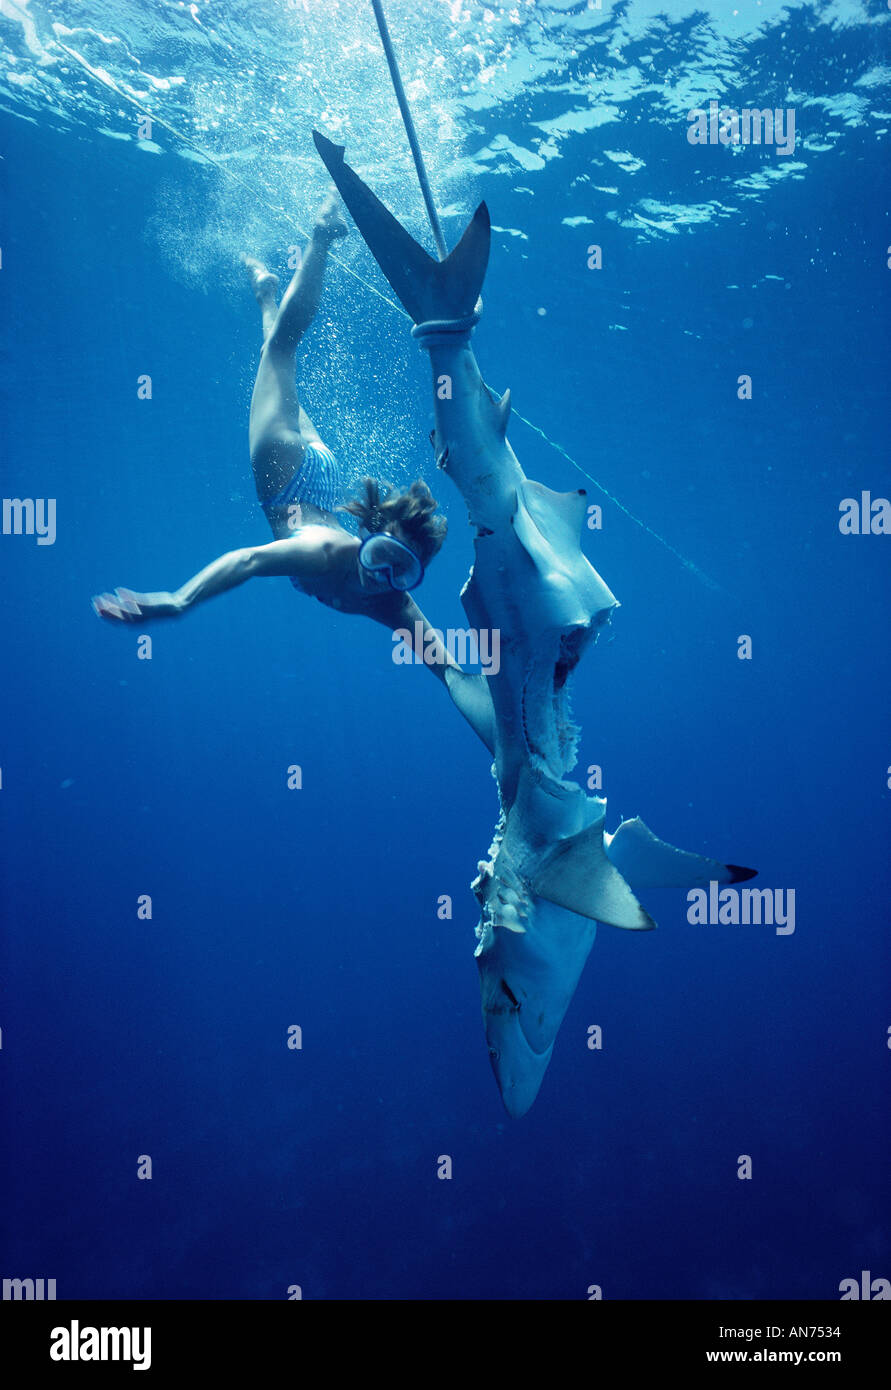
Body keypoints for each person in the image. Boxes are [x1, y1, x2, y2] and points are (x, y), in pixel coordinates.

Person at [92, 192, 462, 689]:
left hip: (318, 481)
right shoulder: (329, 554)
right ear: (366, 542)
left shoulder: (392, 602)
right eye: (380, 559)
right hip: (284, 474)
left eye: (400, 571)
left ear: (414, 575)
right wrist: (177, 602)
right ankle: (322, 236)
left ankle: (267, 292)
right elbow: (246, 561)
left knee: (276, 359)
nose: (382, 577)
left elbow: (449, 671)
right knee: (284, 347)